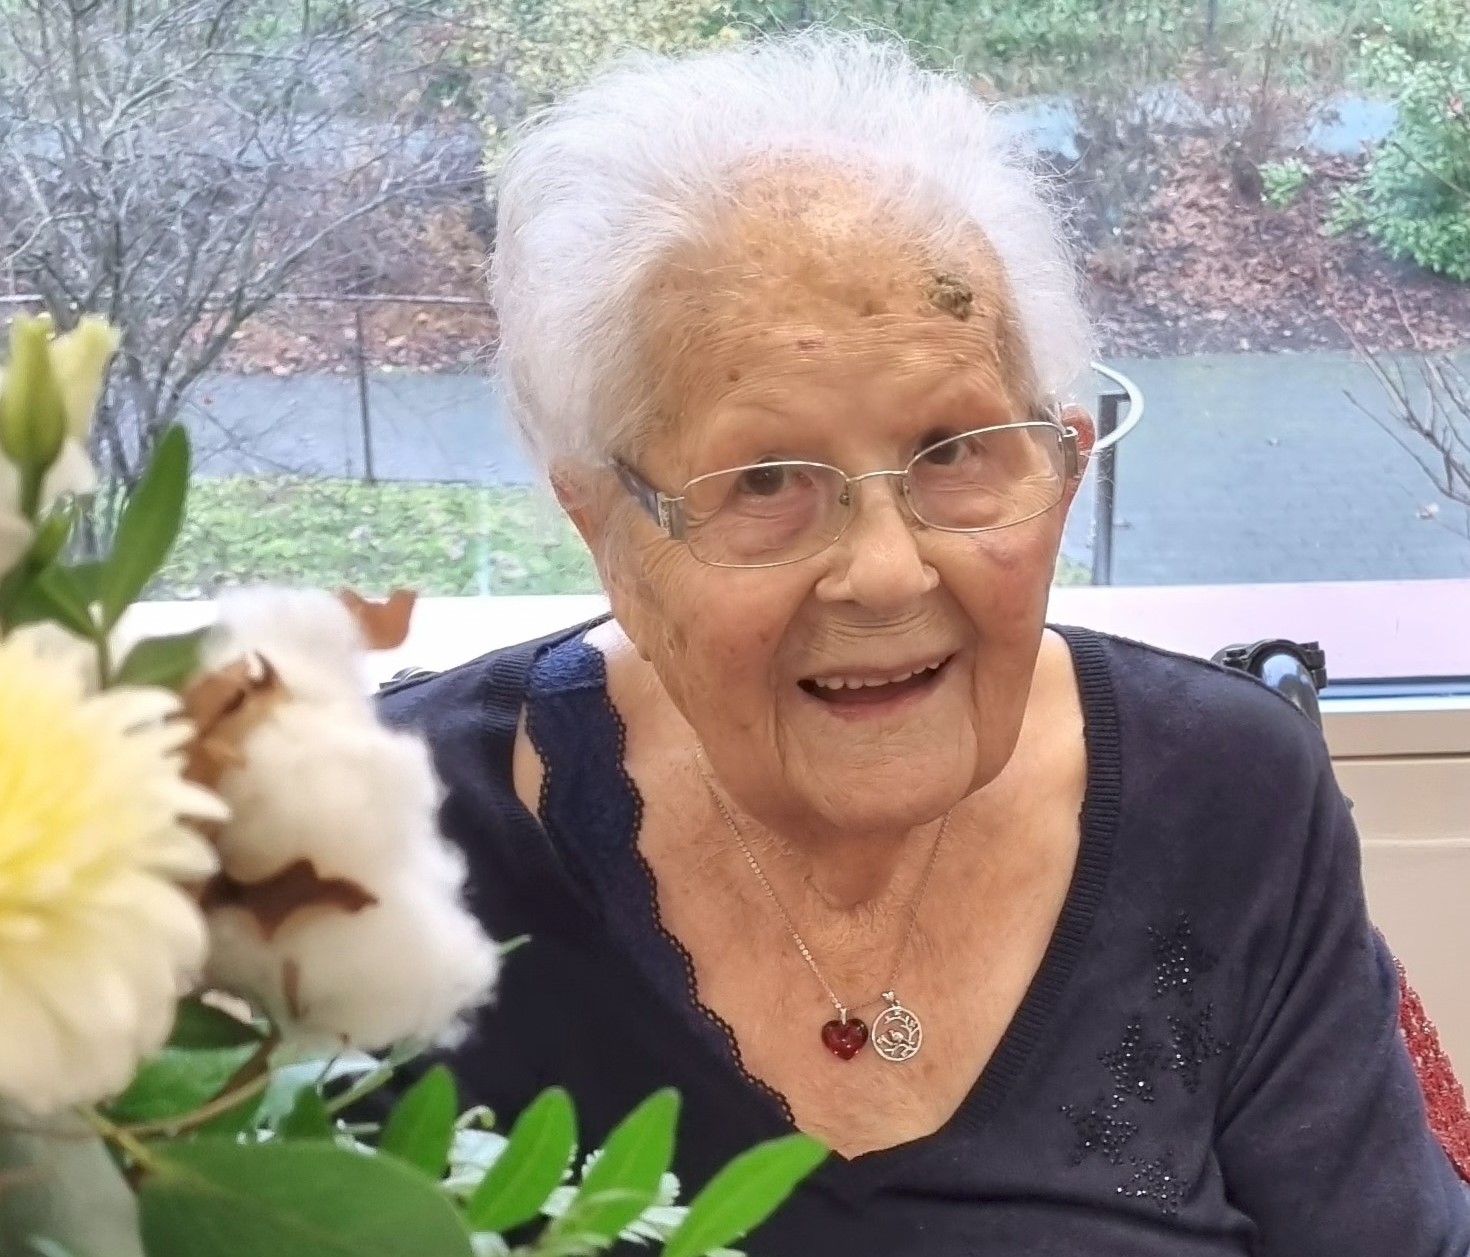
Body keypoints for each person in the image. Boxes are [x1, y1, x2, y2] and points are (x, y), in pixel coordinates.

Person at [381, 32, 1470, 1256]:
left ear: (1059, 472)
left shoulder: (1231, 794)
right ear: (606, 529)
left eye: (955, 453)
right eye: (767, 480)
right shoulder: (374, 838)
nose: (888, 571)